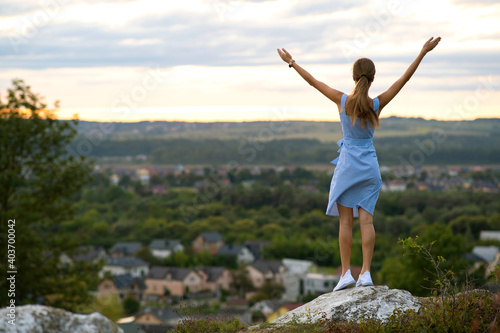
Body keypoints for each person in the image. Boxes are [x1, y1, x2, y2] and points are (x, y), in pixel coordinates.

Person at [277, 37, 441, 291]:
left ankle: (346, 274)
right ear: (372, 79)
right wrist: (422, 52)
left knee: (345, 223)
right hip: (369, 170)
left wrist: (292, 62)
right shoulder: (376, 104)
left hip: (346, 169)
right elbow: (403, 80)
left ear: (354, 77)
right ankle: (365, 272)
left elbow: (313, 82)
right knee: (367, 222)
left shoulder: (343, 101)